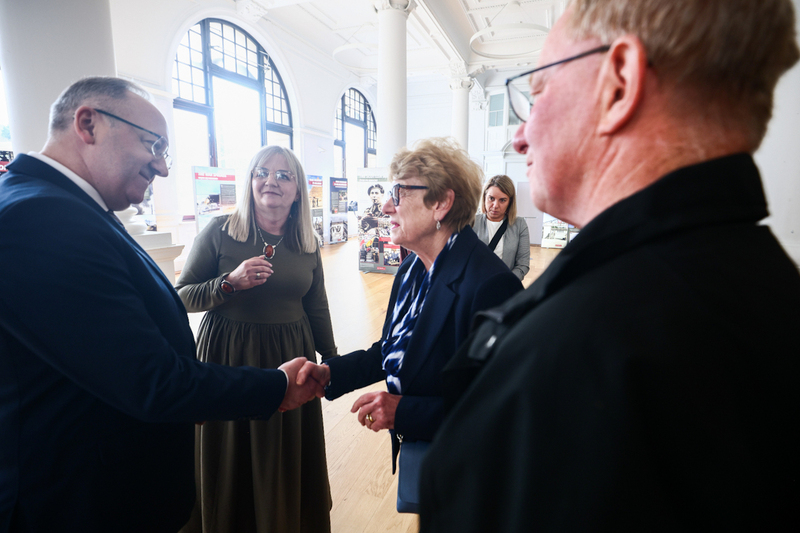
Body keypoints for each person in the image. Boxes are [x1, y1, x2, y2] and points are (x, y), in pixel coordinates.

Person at [419, 0, 800, 531]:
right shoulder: (772, 290)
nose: (520, 136)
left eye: (539, 93)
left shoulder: (573, 357)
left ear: (619, 83)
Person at [0, 77, 322, 533]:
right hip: (75, 500)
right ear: (88, 124)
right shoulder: (41, 218)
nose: (163, 168)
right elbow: (148, 379)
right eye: (153, 145)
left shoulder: (70, 210)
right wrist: (274, 387)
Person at [298, 137, 522, 511]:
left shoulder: (491, 286)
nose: (386, 206)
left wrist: (404, 412)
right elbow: (392, 349)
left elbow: (499, 407)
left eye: (399, 193)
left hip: (474, 473)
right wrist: (329, 374)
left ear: (441, 203)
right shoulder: (412, 269)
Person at [175, 145, 336, 533]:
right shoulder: (220, 231)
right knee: (229, 445)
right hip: (229, 354)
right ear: (249, 181)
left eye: (284, 175)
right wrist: (228, 284)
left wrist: (332, 361)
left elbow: (317, 306)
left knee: (281, 448)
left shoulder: (306, 241)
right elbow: (181, 295)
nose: (271, 181)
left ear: (298, 190)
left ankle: (281, 518)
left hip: (291, 355)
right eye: (262, 172)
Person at [473, 175, 530, 280]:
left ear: (510, 202)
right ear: (484, 197)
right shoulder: (471, 223)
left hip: (506, 287)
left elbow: (523, 264)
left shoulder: (520, 224)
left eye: (502, 200)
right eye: (491, 198)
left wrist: (505, 282)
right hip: (475, 286)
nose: (495, 205)